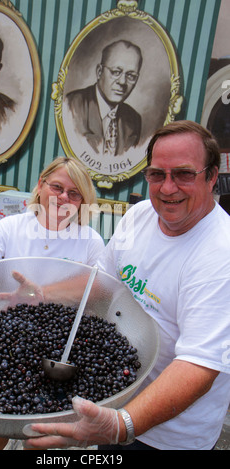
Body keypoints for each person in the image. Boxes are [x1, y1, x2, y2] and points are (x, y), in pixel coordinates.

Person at [25, 121, 230, 451]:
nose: (167, 188)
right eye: (157, 174)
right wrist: (44, 293)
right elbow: (101, 282)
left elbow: (199, 366)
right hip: (114, 398)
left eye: (183, 174)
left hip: (169, 437)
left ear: (211, 176)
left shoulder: (221, 255)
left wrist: (122, 425)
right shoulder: (141, 216)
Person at [0, 155, 105, 450]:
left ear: (83, 201)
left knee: (44, 441)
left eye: (74, 193)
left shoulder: (90, 241)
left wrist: (41, 293)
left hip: (61, 352)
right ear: (41, 186)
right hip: (6, 344)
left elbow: (95, 289)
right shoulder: (8, 229)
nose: (63, 197)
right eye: (57, 187)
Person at [65, 40, 142, 156]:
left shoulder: (133, 120)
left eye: (131, 75)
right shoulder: (72, 106)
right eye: (116, 72)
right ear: (99, 72)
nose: (122, 82)